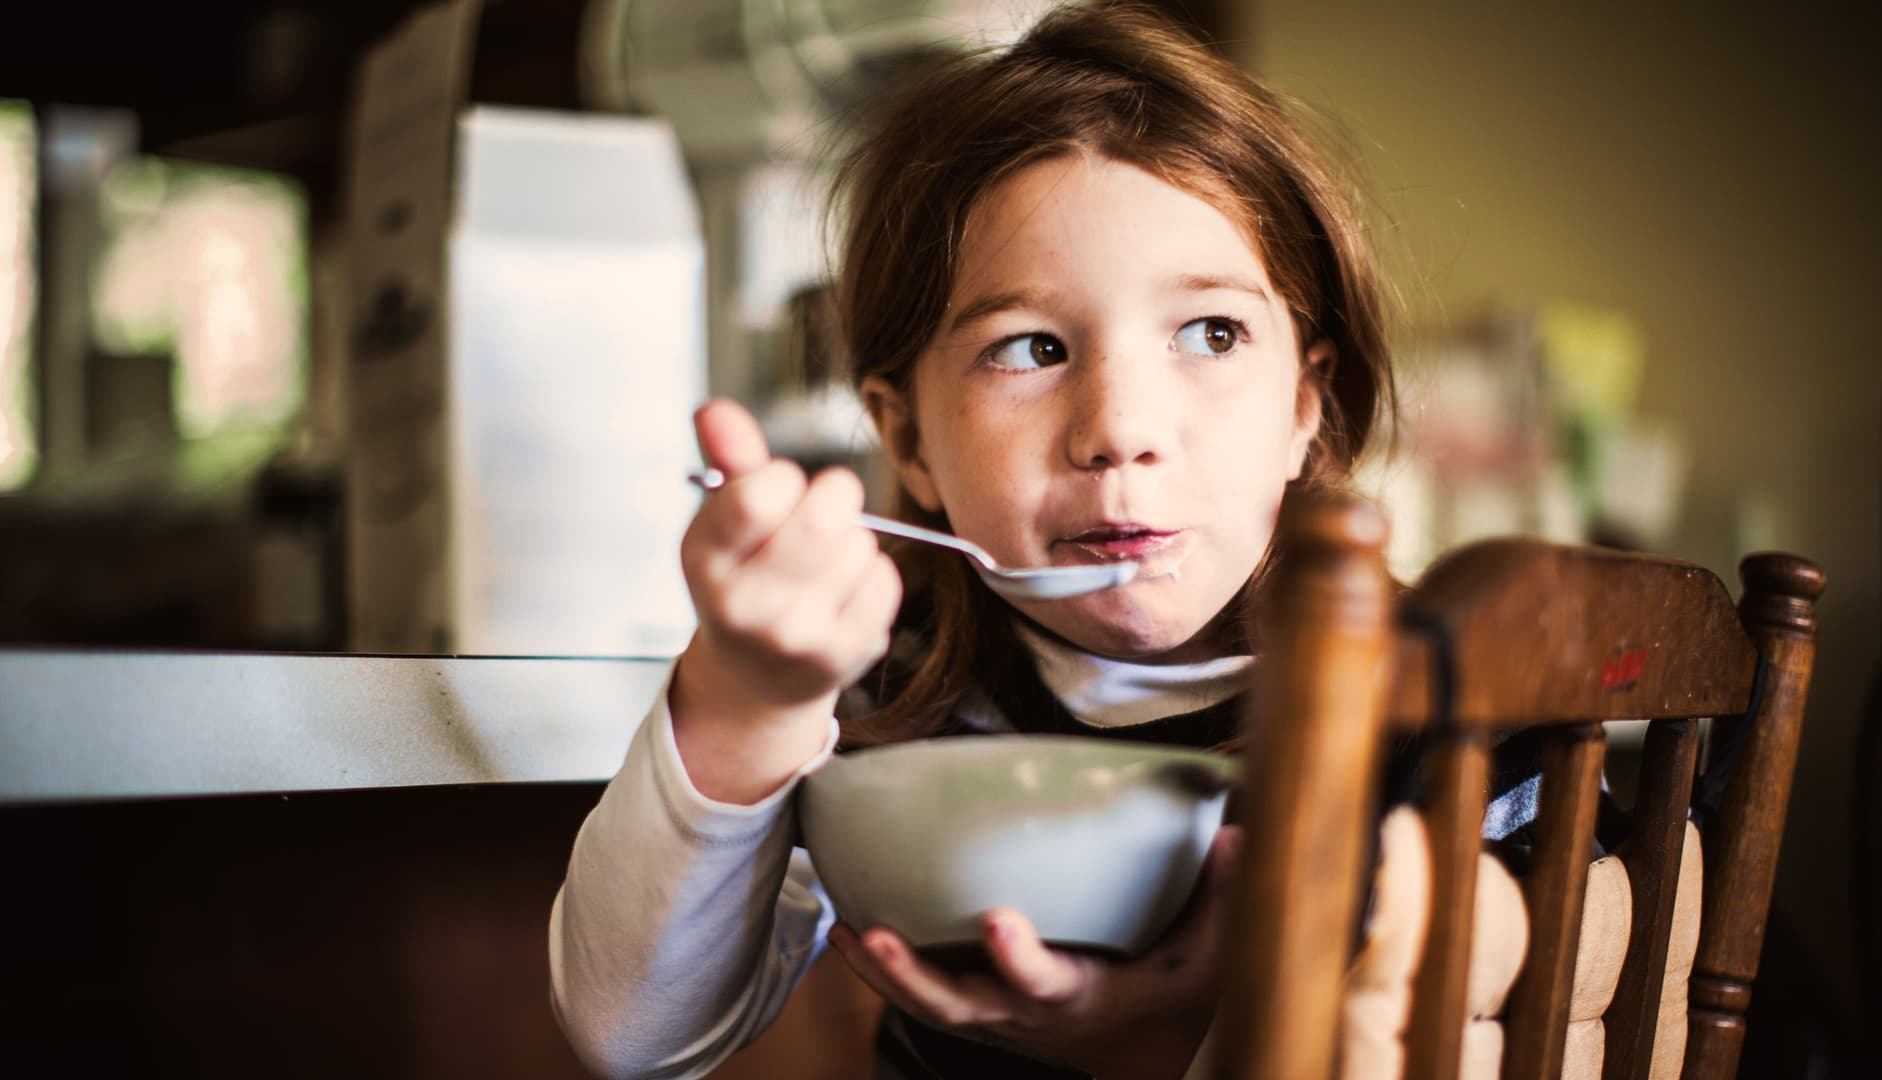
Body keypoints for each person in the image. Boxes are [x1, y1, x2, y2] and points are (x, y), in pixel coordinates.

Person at [549, 3, 1396, 1076]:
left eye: (1210, 333)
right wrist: (745, 699)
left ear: (1303, 407)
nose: (1119, 429)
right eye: (1030, 348)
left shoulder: (1446, 722)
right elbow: (633, 1038)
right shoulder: (888, 682)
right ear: (908, 439)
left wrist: (1161, 1050)